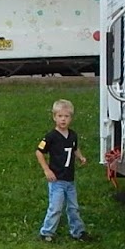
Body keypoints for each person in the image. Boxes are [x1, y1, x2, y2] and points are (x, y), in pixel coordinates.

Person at [36, 98, 90, 241]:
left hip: (69, 178)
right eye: (60, 116)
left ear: (71, 118)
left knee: (73, 207)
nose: (63, 120)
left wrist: (80, 157)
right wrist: (47, 170)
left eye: (66, 116)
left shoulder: (72, 135)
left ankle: (78, 232)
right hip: (57, 179)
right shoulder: (51, 136)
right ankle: (47, 232)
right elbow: (39, 152)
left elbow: (74, 148)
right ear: (54, 117)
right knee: (56, 207)